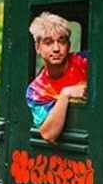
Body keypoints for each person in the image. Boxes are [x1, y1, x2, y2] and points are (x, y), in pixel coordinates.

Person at [26, 12, 88, 143]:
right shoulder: (37, 91)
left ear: (69, 46)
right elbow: (49, 134)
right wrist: (65, 94)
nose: (56, 48)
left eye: (61, 42)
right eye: (48, 43)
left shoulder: (85, 61)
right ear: (38, 47)